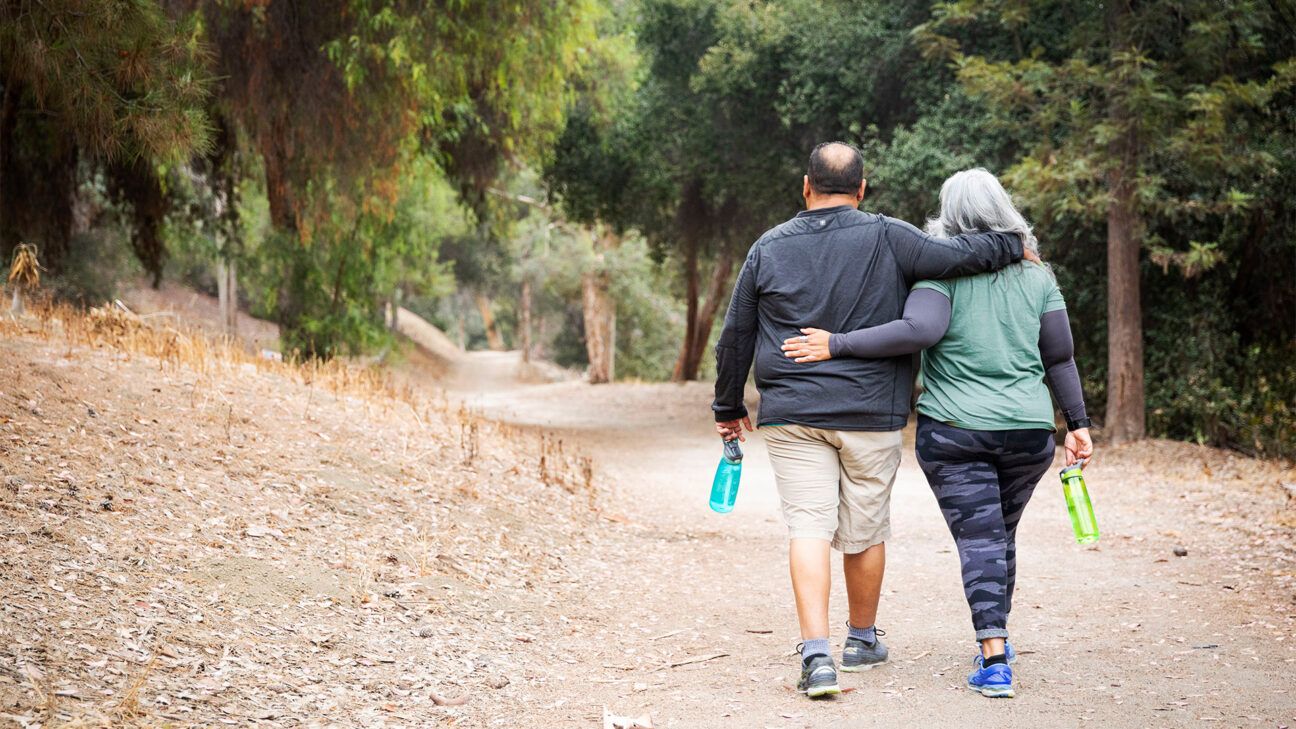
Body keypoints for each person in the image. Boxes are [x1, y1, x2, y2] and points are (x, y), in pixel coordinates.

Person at [712, 144, 1038, 698]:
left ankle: (816, 656)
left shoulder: (767, 247)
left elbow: (736, 334)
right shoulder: (891, 236)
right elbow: (965, 256)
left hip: (793, 413)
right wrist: (1012, 240)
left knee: (808, 527)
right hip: (870, 413)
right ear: (862, 189)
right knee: (864, 529)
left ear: (805, 185)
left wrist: (728, 407)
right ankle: (860, 640)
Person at [780, 167, 1094, 699]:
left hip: (956, 432)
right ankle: (997, 638)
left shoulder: (937, 276)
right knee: (998, 536)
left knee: (982, 538)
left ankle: (994, 657)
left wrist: (837, 344)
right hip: (1028, 433)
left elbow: (919, 331)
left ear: (947, 217)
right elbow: (1059, 356)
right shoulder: (1038, 276)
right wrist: (1079, 424)